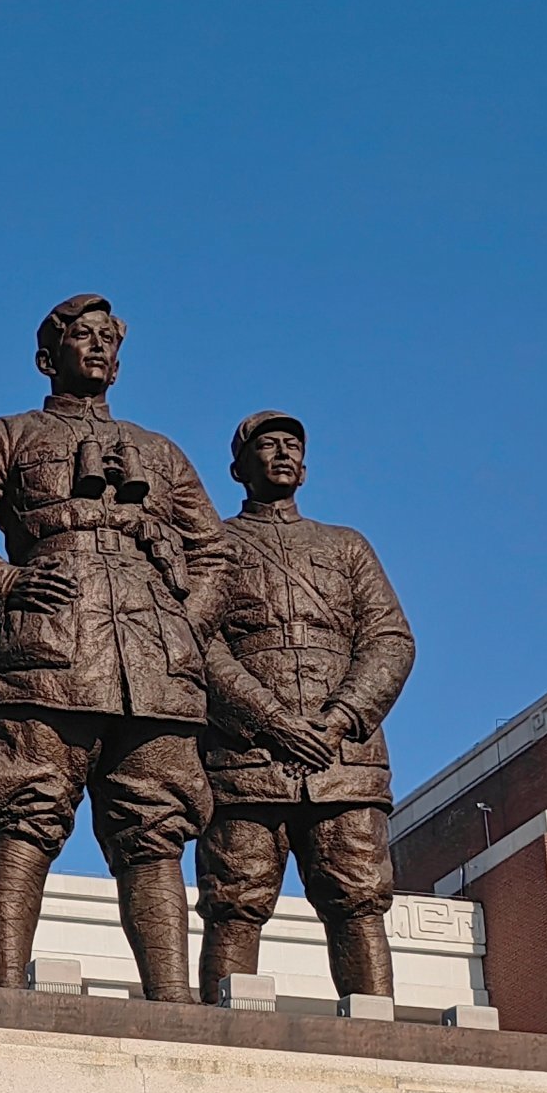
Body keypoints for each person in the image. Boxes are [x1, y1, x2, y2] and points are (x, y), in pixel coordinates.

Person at [0, 294, 225, 997]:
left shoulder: (163, 453)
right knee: (27, 812)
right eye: (83, 336)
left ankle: (173, 1004)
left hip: (157, 671)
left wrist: (184, 622)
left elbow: (215, 556)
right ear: (49, 356)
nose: (100, 347)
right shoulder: (11, 436)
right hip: (47, 657)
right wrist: (5, 584)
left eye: (109, 337)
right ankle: (5, 994)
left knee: (156, 828)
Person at [195, 411, 416, 1002]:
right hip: (246, 759)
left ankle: (376, 1030)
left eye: (293, 444)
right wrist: (268, 718)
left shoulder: (345, 546)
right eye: (268, 444)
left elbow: (389, 639)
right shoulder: (210, 546)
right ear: (238, 468)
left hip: (343, 760)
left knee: (360, 896)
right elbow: (195, 641)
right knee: (234, 898)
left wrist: (341, 716)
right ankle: (226, 1030)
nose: (284, 453)